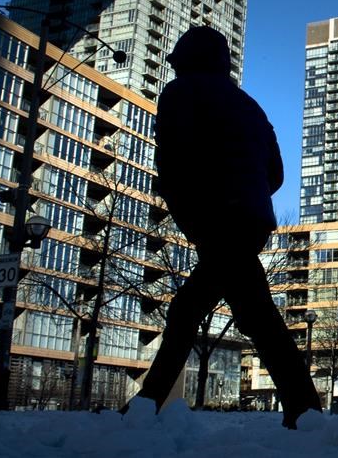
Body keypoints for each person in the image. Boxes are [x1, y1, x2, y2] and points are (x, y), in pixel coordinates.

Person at [131, 26, 321, 429]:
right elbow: (276, 173)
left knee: (218, 314)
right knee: (237, 315)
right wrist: (247, 194)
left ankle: (146, 406)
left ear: (188, 60)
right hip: (251, 220)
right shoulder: (250, 105)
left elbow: (173, 160)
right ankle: (305, 411)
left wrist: (193, 208)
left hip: (216, 220)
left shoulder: (180, 93)